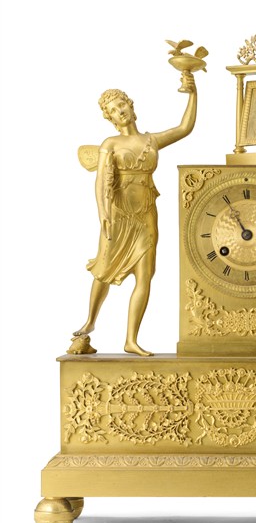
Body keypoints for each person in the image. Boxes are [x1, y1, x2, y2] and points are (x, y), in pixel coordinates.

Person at [73, 76, 197, 356]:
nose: (120, 111)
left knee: (145, 275)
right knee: (104, 269)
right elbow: (100, 182)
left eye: (122, 105)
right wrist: (103, 214)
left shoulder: (151, 141)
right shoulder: (110, 143)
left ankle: (131, 339)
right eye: (114, 110)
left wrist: (193, 93)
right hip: (118, 214)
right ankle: (90, 321)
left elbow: (185, 128)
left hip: (146, 213)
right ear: (110, 118)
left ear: (131, 105)